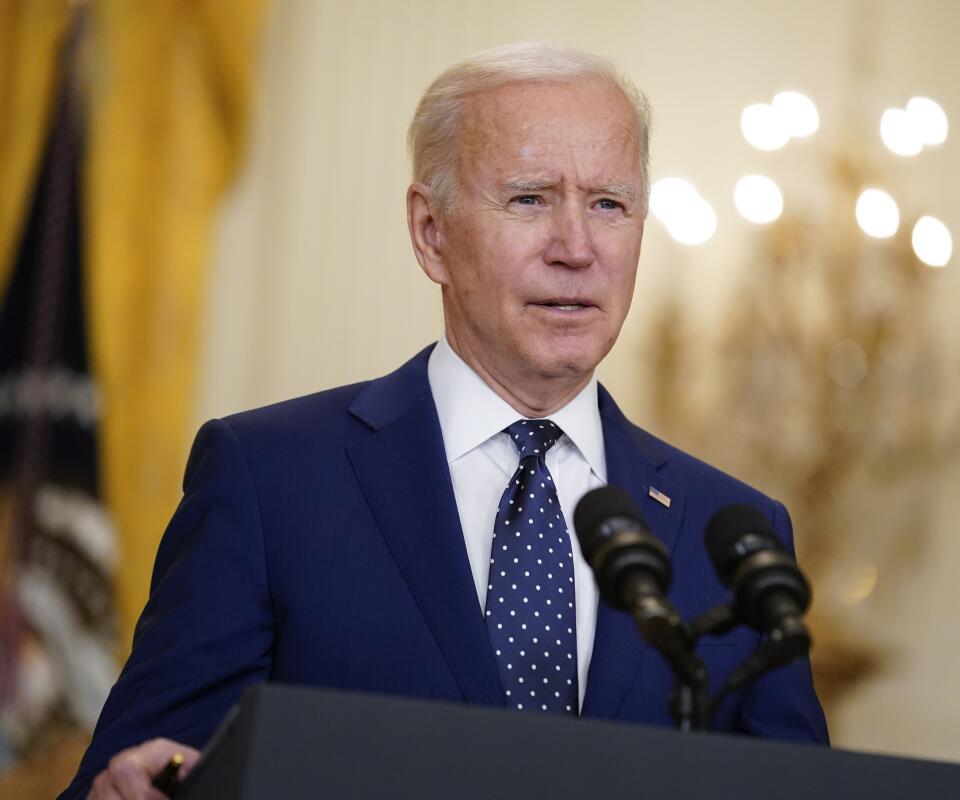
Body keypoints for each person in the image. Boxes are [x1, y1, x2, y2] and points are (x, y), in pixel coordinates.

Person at [65, 42, 828, 799]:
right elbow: (134, 775)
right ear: (432, 232)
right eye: (530, 198)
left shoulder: (733, 532)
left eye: (609, 204)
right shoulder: (270, 480)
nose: (577, 248)